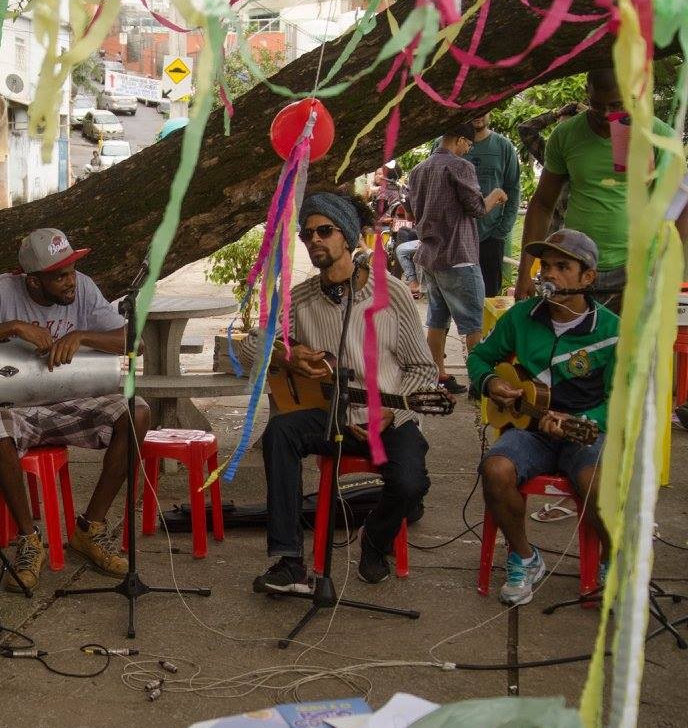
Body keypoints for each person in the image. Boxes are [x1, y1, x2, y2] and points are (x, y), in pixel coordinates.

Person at [0, 228, 147, 592]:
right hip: (16, 405)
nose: (70, 282)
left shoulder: (83, 288)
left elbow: (133, 343)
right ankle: (30, 542)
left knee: (137, 412)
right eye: (59, 275)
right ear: (32, 281)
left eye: (72, 271)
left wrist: (83, 336)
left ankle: (89, 529)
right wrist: (12, 327)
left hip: (67, 398)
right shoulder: (0, 290)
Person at [254, 192, 438, 591]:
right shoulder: (299, 299)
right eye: (307, 234)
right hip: (330, 416)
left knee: (410, 482)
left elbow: (424, 369)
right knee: (279, 433)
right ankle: (288, 561)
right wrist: (287, 353)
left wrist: (392, 411)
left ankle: (375, 538)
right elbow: (250, 344)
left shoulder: (392, 294)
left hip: (387, 419)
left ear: (350, 237)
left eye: (325, 230)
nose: (314, 240)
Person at [468, 229, 616, 606]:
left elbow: (622, 401)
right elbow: (479, 357)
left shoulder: (612, 330)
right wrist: (490, 383)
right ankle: (524, 557)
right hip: (530, 432)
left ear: (588, 277)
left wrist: (582, 421)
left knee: (596, 483)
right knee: (496, 469)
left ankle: (612, 561)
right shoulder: (521, 316)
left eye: (562, 267)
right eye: (544, 265)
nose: (548, 274)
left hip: (585, 432)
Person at [516, 68, 674, 311]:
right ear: (586, 92)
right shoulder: (567, 134)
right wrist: (524, 271)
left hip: (636, 268)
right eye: (597, 105)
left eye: (616, 105)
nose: (606, 114)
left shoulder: (657, 134)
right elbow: (542, 204)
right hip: (577, 266)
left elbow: (677, 205)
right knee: (576, 345)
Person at [406, 123, 508, 394]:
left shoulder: (419, 169)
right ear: (460, 140)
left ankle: (438, 374)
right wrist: (496, 195)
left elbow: (413, 210)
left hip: (431, 255)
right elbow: (476, 209)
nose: (469, 149)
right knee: (474, 323)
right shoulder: (460, 166)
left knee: (437, 319)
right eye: (469, 144)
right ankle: (479, 381)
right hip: (458, 254)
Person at [464, 112, 522, 298]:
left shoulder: (503, 146)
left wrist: (501, 231)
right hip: (455, 237)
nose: (478, 115)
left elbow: (513, 189)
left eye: (485, 109)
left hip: (490, 236)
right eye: (476, 108)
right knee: (449, 302)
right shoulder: (446, 144)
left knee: (489, 298)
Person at [517, 102, 582, 233]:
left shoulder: (595, 156)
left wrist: (590, 113)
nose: (562, 135)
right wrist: (555, 114)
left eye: (568, 129)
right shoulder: (552, 157)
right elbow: (526, 129)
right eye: (559, 129)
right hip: (554, 238)